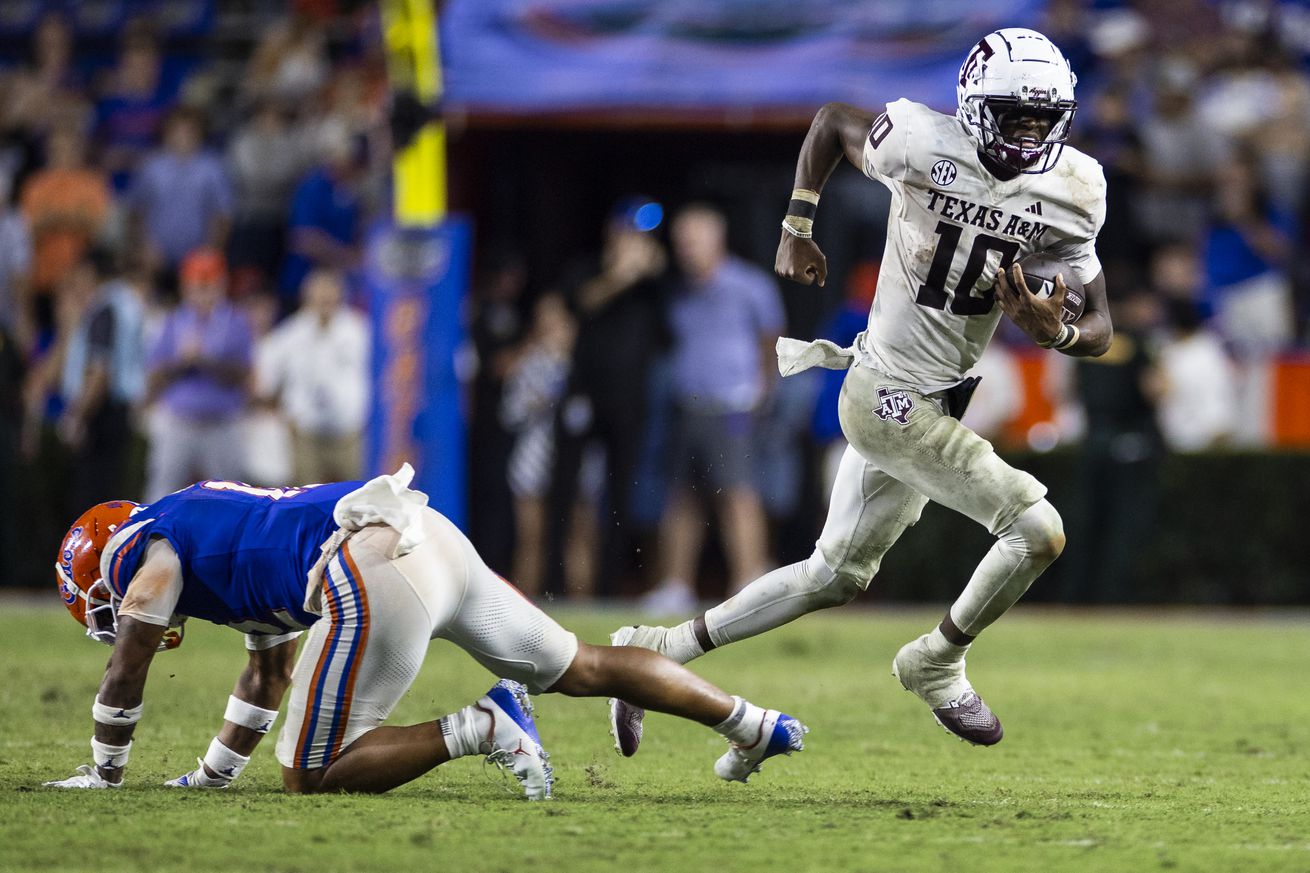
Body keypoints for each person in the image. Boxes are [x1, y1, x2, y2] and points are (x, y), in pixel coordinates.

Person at [608, 28, 1112, 753]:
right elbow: (834, 121)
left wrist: (1055, 331)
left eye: (1043, 119)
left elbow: (1100, 323)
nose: (1029, 134)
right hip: (884, 393)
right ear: (975, 107)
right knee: (1037, 530)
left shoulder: (1076, 187)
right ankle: (936, 661)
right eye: (1015, 116)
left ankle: (657, 647)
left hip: (940, 397)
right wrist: (797, 219)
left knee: (832, 575)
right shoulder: (920, 139)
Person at [43, 465, 807, 797]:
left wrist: (105, 772)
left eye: (99, 602)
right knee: (586, 664)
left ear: (105, 561)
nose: (112, 618)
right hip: (425, 534)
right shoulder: (205, 535)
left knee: (309, 772)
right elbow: (266, 675)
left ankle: (482, 725)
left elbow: (127, 666)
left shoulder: (148, 551)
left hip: (369, 561)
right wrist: (211, 774)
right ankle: (751, 723)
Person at [640, 203, 785, 613]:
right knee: (683, 497)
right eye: (681, 242)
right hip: (689, 405)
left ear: (716, 240)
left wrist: (761, 391)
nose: (686, 249)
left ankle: (749, 581)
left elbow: (771, 337)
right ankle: (675, 585)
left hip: (732, 404)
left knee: (738, 493)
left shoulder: (747, 285)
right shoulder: (679, 290)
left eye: (694, 241)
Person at [143, 248, 253, 500]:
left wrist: (204, 360)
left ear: (221, 285)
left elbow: (242, 374)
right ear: (186, 286)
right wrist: (181, 362)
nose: (203, 292)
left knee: (231, 497)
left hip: (222, 422)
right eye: (197, 285)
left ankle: (230, 540)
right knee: (161, 493)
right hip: (179, 420)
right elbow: (155, 375)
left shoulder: (235, 321)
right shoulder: (173, 320)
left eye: (209, 285)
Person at [257, 269, 370, 483]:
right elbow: (265, 375)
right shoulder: (292, 332)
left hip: (349, 433)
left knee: (361, 499)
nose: (324, 300)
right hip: (307, 434)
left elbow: (379, 375)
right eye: (318, 295)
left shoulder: (358, 330)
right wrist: (282, 411)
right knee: (306, 499)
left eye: (329, 294)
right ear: (307, 298)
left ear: (339, 295)